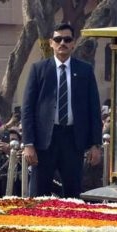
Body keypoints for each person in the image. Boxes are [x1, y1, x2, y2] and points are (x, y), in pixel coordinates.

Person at [22, 23, 102, 198]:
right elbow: (27, 109)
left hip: (73, 140)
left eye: (67, 39)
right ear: (51, 43)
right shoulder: (38, 69)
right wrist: (28, 144)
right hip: (44, 143)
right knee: (38, 195)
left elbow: (94, 109)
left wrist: (96, 144)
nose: (62, 43)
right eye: (58, 39)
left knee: (73, 195)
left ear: (73, 43)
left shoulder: (85, 70)